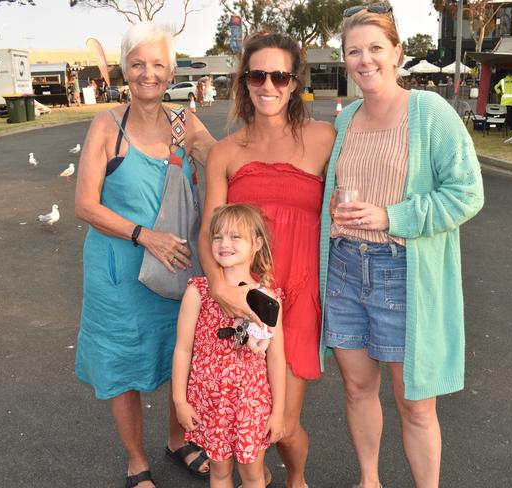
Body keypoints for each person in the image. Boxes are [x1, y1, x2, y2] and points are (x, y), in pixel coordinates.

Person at [319, 4, 484, 488]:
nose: (364, 59)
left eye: (375, 48)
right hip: (345, 268)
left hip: (401, 271)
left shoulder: (429, 111)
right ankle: (368, 480)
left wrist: (393, 216)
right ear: (345, 58)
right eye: (354, 51)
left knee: (415, 400)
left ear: (396, 52)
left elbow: (467, 193)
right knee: (356, 387)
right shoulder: (346, 119)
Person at [74, 22, 216, 488]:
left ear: (171, 71)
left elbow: (223, 165)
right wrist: (144, 235)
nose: (148, 73)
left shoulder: (184, 122)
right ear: (124, 70)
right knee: (123, 365)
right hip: (119, 274)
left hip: (176, 270)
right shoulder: (106, 126)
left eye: (158, 64)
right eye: (138, 64)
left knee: (182, 354)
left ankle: (178, 440)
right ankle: (137, 461)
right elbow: (85, 204)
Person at [199, 32, 335, 488]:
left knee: (283, 425)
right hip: (241, 303)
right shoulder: (225, 153)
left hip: (297, 299)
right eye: (258, 74)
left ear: (295, 82)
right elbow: (209, 230)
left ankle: (296, 478)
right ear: (245, 81)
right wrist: (219, 287)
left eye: (280, 75)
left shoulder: (323, 139)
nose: (269, 85)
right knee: (249, 420)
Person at [173, 203, 286, 488]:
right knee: (219, 472)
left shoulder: (267, 299)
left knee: (252, 474)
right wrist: (179, 400)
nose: (224, 243)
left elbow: (276, 358)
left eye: (236, 236)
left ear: (257, 243)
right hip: (212, 401)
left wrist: (279, 410)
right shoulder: (197, 292)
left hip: (251, 402)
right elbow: (183, 349)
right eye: (218, 236)